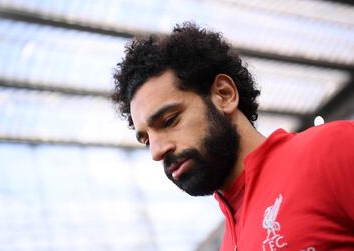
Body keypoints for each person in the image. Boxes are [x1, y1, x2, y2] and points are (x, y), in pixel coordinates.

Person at [111, 22, 354, 250]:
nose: (156, 151)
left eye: (169, 120)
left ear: (224, 94)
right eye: (146, 140)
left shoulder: (331, 150)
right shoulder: (229, 242)